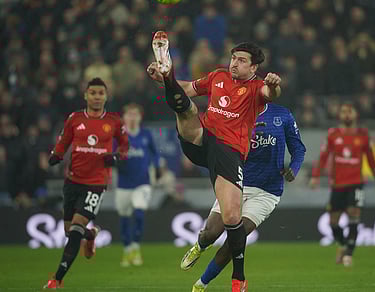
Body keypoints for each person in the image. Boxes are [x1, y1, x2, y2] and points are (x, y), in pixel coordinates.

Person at [147, 31, 281, 292]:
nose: (234, 63)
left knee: (231, 218)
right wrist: (165, 83)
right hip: (201, 139)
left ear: (253, 67)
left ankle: (227, 268)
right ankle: (167, 72)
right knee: (188, 109)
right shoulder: (218, 76)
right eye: (233, 58)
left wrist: (275, 84)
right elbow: (189, 89)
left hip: (229, 152)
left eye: (241, 60)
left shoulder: (256, 87)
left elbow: (271, 93)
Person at [181, 103, 306, 291]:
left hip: (267, 192)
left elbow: (299, 149)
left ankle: (201, 283)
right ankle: (200, 246)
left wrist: (294, 169)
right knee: (211, 232)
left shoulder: (282, 114)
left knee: (235, 239)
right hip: (236, 181)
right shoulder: (234, 114)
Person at [44, 78, 129, 288]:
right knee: (69, 231)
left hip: (96, 184)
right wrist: (56, 155)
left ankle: (57, 278)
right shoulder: (74, 119)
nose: (97, 97)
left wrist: (117, 157)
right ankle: (91, 235)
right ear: (86, 96)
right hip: (72, 181)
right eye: (93, 93)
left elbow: (125, 147)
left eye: (101, 93)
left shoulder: (114, 121)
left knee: (75, 229)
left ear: (106, 96)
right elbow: (64, 141)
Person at [310, 102, 375, 267]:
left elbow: (372, 162)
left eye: (349, 111)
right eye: (343, 111)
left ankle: (349, 255)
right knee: (333, 222)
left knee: (354, 214)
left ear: (355, 115)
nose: (346, 115)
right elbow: (323, 156)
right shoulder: (333, 134)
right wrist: (315, 176)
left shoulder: (363, 135)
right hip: (337, 184)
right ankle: (343, 244)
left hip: (356, 183)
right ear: (340, 115)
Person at [115, 103, 162, 267]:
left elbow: (155, 153)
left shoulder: (146, 134)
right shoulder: (119, 136)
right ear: (124, 118)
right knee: (125, 218)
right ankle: (127, 250)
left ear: (140, 117)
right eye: (130, 114)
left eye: (136, 114)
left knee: (139, 213)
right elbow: (111, 156)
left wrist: (157, 167)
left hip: (142, 183)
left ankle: (135, 247)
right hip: (123, 183)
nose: (133, 117)